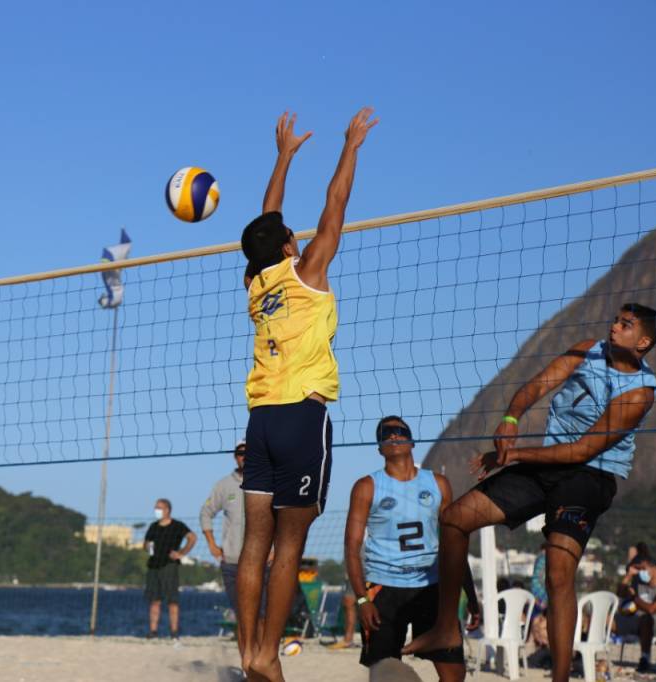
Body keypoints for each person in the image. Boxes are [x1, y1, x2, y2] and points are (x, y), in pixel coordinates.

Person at [404, 303, 656, 682]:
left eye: (624, 325)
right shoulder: (587, 349)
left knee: (559, 573)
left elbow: (582, 451)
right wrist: (511, 419)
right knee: (454, 519)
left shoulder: (640, 393)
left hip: (591, 475)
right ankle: (446, 627)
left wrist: (511, 454)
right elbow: (538, 385)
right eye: (614, 319)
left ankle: (560, 677)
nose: (613, 327)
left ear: (642, 342)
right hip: (546, 464)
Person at [236, 106, 379, 682]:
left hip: (261, 420)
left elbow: (266, 220)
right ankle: (267, 657)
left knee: (254, 545)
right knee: (289, 546)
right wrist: (350, 148)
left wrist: (284, 156)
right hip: (302, 416)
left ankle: (247, 652)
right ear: (291, 246)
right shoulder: (306, 271)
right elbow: (336, 206)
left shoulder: (254, 284)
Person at [345, 416, 481, 682]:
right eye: (385, 434)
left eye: (399, 431)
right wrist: (362, 599)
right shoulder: (367, 486)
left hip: (431, 585)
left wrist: (472, 599)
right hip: (384, 589)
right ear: (379, 447)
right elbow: (351, 546)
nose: (393, 436)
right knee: (384, 673)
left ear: (411, 440)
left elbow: (453, 545)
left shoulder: (438, 483)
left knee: (454, 674)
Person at [200, 440, 266, 658]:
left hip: (261, 561)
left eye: (249, 452)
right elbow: (206, 512)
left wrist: (275, 548)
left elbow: (282, 517)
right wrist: (211, 544)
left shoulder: (268, 480)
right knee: (243, 617)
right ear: (235, 457)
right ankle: (247, 665)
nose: (244, 456)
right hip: (233, 562)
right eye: (240, 453)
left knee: (262, 616)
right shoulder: (224, 485)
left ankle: (261, 662)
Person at [143, 498, 197, 640]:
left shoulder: (177, 526)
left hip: (169, 566)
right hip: (153, 565)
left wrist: (181, 553)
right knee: (154, 600)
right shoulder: (153, 526)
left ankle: (174, 632)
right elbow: (146, 543)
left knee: (172, 600)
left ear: (167, 510)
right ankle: (153, 631)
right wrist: (147, 547)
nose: (156, 510)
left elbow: (192, 537)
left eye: (159, 508)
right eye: (156, 508)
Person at [615, 553, 656, 672]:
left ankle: (645, 658)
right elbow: (620, 593)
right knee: (608, 620)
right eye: (638, 569)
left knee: (646, 619)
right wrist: (629, 575)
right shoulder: (638, 584)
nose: (640, 572)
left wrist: (635, 598)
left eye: (642, 569)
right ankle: (583, 652)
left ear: (654, 568)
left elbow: (652, 609)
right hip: (634, 621)